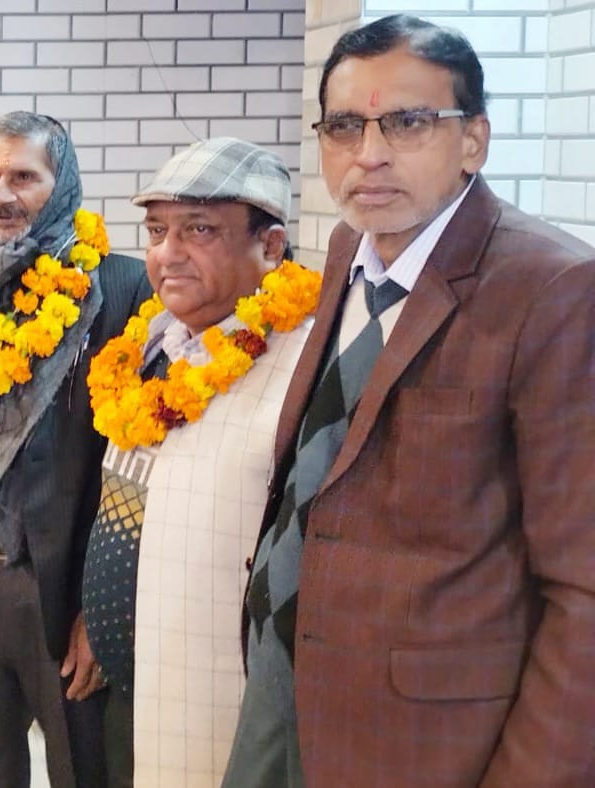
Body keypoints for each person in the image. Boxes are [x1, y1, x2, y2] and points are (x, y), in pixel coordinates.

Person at [227, 15, 595, 787]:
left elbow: (583, 590)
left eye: (408, 122)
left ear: (474, 140)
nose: (369, 154)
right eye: (344, 126)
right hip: (284, 687)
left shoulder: (553, 290)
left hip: (424, 739)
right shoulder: (347, 248)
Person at [0, 111, 153, 787]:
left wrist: (104, 609)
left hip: (65, 584)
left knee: (85, 769)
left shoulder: (118, 289)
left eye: (24, 177)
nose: (1, 194)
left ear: (61, 185)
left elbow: (136, 464)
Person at [78, 137, 320, 787]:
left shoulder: (299, 368)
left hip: (222, 699)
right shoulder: (151, 343)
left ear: (271, 246)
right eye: (157, 231)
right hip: (125, 682)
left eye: (200, 229)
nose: (168, 253)